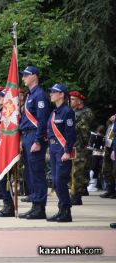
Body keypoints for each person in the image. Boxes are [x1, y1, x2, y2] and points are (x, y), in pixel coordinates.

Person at [18, 65, 51, 220]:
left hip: (34, 136)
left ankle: (40, 207)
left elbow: (42, 120)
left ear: (34, 76)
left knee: (37, 173)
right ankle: (34, 204)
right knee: (30, 173)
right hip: (27, 136)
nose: (23, 78)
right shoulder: (31, 95)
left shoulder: (40, 95)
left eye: (26, 75)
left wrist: (38, 140)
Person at [46, 84, 76, 222]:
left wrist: (67, 151)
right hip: (53, 150)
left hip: (62, 150)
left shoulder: (67, 111)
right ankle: (61, 210)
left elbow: (70, 134)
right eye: (51, 92)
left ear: (62, 95)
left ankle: (66, 211)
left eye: (54, 92)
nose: (51, 94)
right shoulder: (54, 112)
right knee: (55, 182)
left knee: (60, 181)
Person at [0, 88, 15, 217]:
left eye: (1, 96)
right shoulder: (1, 112)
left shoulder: (10, 113)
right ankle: (6, 204)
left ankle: (9, 205)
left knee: (5, 179)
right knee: (0, 178)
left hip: (5, 149)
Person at [69, 90, 94, 205]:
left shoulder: (86, 112)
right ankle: (74, 192)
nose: (70, 101)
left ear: (79, 101)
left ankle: (77, 195)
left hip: (79, 146)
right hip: (71, 146)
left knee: (78, 172)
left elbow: (85, 132)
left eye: (73, 99)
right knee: (72, 171)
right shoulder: (70, 112)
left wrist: (85, 145)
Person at [101, 115, 116, 198]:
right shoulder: (112, 120)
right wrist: (110, 120)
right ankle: (110, 189)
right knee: (105, 169)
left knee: (114, 170)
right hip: (108, 145)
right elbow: (108, 126)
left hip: (115, 146)